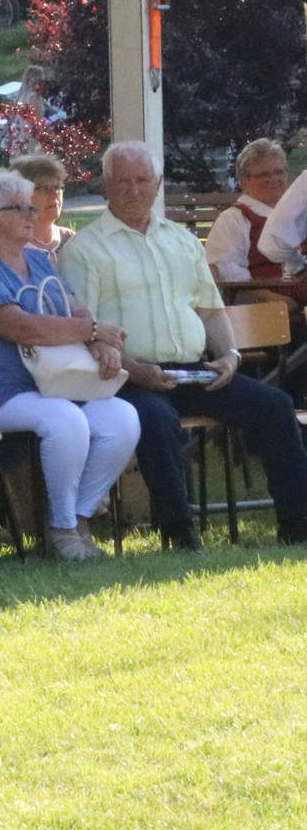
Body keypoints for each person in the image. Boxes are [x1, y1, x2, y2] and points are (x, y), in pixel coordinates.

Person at [60, 141, 307, 549]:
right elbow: (84, 329)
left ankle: (297, 526)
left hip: (192, 370)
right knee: (156, 420)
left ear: (157, 183)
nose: (134, 190)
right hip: (127, 377)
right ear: (106, 185)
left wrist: (229, 355)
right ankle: (180, 534)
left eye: (142, 180)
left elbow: (210, 310)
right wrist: (137, 370)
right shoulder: (84, 250)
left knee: (274, 405)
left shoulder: (181, 240)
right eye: (123, 181)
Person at [0, 169, 137, 561]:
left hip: (54, 383)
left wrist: (96, 338)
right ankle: (62, 531)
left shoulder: (37, 259)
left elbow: (73, 306)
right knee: (65, 421)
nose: (30, 213)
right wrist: (92, 330)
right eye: (18, 208)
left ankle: (80, 518)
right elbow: (22, 328)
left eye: (30, 207)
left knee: (122, 417)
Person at [206, 139, 296, 286]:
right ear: (244, 182)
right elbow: (226, 271)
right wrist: (272, 297)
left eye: (279, 172)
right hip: (267, 297)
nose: (273, 179)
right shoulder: (234, 219)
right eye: (264, 174)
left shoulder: (296, 213)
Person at [12, 152, 74, 258]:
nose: (54, 194)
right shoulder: (12, 247)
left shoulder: (70, 239)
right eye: (44, 188)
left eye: (57, 187)